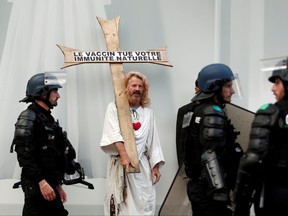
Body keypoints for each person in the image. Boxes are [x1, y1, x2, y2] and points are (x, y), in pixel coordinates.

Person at [10, 72, 76, 216]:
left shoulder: (47, 118)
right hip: (37, 187)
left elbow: (51, 155)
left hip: (49, 185)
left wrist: (57, 185)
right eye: (55, 91)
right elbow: (25, 157)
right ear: (42, 92)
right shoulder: (28, 118)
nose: (58, 95)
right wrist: (42, 183)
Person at [100, 71, 165, 216]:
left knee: (143, 203)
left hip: (141, 166)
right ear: (125, 88)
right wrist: (124, 155)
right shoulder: (114, 108)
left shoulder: (148, 113)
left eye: (140, 86)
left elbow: (153, 141)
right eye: (133, 85)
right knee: (121, 205)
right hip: (121, 165)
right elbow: (113, 133)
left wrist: (155, 166)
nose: (137, 89)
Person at [184, 63, 243, 216]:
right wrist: (220, 192)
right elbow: (209, 153)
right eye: (228, 86)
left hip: (202, 188)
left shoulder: (196, 109)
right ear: (214, 88)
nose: (232, 90)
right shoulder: (212, 111)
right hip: (210, 192)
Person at [233, 58, 288, 216]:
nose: (273, 88)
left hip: (275, 194)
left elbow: (251, 161)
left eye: (277, 82)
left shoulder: (270, 112)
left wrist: (240, 204)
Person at [176, 78, 200, 166]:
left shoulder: (219, 110)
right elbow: (182, 140)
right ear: (196, 90)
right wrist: (183, 167)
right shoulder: (187, 111)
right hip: (192, 164)